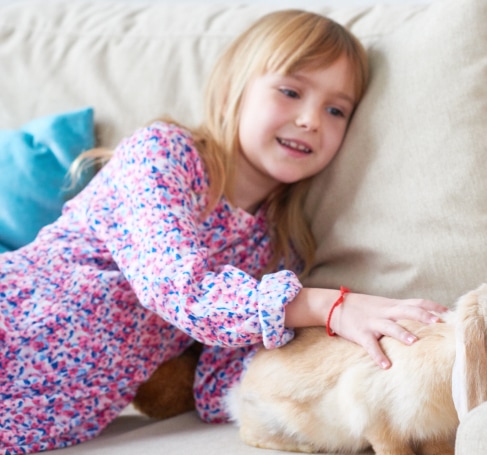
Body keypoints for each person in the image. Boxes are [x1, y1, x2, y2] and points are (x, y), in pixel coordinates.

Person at [0, 10, 445, 454]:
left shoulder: (277, 251)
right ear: (235, 89)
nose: (311, 119)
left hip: (39, 424)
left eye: (336, 110)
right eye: (291, 91)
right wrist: (330, 306)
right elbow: (178, 287)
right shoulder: (162, 155)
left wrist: (364, 369)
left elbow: (219, 385)